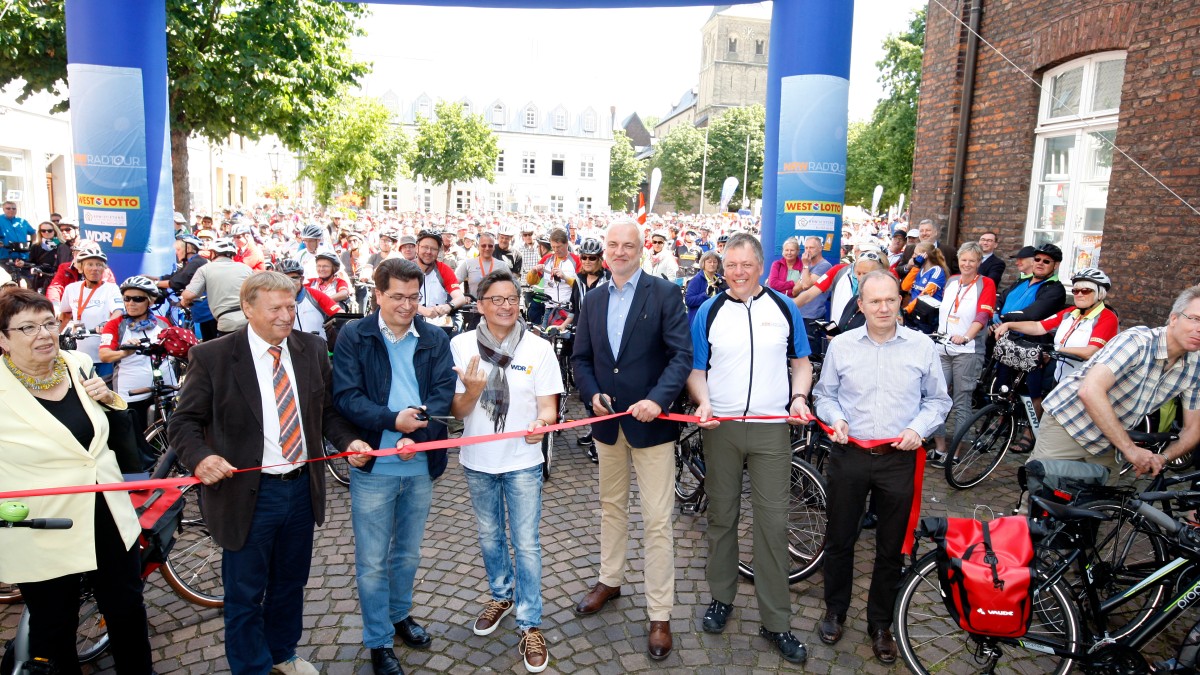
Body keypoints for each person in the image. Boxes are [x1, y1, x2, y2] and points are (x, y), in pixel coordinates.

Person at [170, 272, 368, 675]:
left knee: (289, 585)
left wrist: (348, 443)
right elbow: (183, 423)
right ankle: (251, 668)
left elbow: (326, 411)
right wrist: (201, 458)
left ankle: (282, 653)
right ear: (248, 308)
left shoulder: (311, 348)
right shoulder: (213, 356)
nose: (285, 316)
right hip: (246, 494)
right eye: (275, 308)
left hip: (299, 491)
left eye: (291, 306)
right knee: (244, 594)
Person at [0, 289, 155, 675]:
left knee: (126, 610)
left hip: (106, 512)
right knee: (55, 623)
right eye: (28, 327)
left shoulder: (78, 363)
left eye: (50, 323)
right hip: (43, 525)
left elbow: (107, 436)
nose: (44, 334)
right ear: (2, 339)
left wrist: (111, 398)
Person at [812, 271, 951, 664]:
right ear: (861, 305)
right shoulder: (841, 346)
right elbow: (826, 395)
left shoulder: (921, 346)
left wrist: (917, 429)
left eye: (890, 299)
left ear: (898, 300)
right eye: (874, 301)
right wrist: (834, 418)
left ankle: (881, 623)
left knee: (892, 548)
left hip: (898, 459)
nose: (884, 308)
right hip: (851, 456)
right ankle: (835, 610)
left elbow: (938, 401)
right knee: (839, 539)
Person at [686, 232, 812, 664]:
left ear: (761, 266)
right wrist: (702, 401)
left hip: (771, 430)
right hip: (720, 427)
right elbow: (696, 368)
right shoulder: (709, 309)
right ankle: (721, 598)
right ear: (722, 267)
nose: (738, 273)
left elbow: (801, 362)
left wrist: (799, 397)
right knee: (721, 516)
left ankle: (776, 620)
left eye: (746, 265)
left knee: (773, 525)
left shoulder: (784, 307)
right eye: (731, 265)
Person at [571, 219, 692, 661]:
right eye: (613, 245)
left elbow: (681, 355)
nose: (620, 252)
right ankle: (610, 579)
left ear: (642, 249)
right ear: (604, 250)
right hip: (608, 424)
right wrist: (590, 394)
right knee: (610, 507)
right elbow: (581, 358)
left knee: (658, 520)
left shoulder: (663, 293)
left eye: (628, 245)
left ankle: (660, 614)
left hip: (651, 425)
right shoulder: (595, 298)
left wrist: (658, 400)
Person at [332, 258, 456, 675]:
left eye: (414, 297)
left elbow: (442, 394)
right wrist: (392, 422)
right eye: (398, 297)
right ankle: (378, 640)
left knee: (407, 553)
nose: (407, 305)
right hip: (374, 467)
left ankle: (400, 615)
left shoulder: (435, 337)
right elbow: (346, 396)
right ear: (378, 294)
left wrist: (414, 434)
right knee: (371, 560)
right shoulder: (355, 335)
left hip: (419, 463)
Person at [450, 271, 560, 673]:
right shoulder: (461, 346)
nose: (505, 305)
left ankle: (530, 622)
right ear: (480, 305)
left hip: (523, 463)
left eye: (512, 298)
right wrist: (473, 392)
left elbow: (549, 407)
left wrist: (543, 424)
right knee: (489, 534)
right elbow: (457, 413)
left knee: (527, 543)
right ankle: (501, 594)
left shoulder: (539, 348)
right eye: (495, 299)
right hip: (477, 460)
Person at [1027, 284, 1200, 482]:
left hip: (1110, 440)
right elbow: (1090, 390)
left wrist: (1163, 457)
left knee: (1099, 505)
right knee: (1042, 493)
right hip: (1069, 424)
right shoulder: (1137, 342)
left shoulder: (1196, 366)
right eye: (1195, 319)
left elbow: (1193, 429)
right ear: (1174, 318)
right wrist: (1131, 450)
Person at [929, 243, 997, 466]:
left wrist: (967, 336)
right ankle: (939, 447)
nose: (967, 264)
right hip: (943, 347)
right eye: (964, 260)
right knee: (936, 397)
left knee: (961, 402)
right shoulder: (951, 282)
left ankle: (955, 453)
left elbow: (983, 314)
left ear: (979, 263)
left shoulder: (985, 283)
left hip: (967, 351)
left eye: (972, 260)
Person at [98, 276, 178, 464]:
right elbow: (105, 355)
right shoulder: (116, 324)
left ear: (149, 301)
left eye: (138, 299)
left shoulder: (162, 322)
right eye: (127, 298)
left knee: (168, 429)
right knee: (136, 434)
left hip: (165, 382)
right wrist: (124, 352)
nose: (131, 303)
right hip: (131, 388)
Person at [57, 248, 123, 372]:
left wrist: (107, 324)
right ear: (81, 267)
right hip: (78, 354)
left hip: (102, 352)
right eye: (90, 264)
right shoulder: (71, 289)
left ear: (104, 268)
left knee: (104, 388)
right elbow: (65, 315)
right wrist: (55, 336)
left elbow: (118, 311)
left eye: (99, 265)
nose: (95, 268)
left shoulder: (111, 288)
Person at [182, 238, 254, 337]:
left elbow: (190, 294)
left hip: (227, 321)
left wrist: (184, 301)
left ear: (213, 253)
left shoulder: (205, 269)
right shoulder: (246, 268)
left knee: (224, 350)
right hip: (249, 318)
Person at [414, 230, 469, 333]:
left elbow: (460, 298)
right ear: (417, 247)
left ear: (439, 251)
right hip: (411, 321)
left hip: (437, 324)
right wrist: (422, 310)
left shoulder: (444, 269)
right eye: (425, 247)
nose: (429, 252)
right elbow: (399, 299)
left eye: (434, 249)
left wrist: (448, 306)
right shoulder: (405, 269)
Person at [276, 259, 341, 341]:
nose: (289, 283)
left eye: (294, 278)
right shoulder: (272, 300)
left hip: (319, 349)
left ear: (302, 279)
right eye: (284, 280)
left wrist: (333, 324)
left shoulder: (314, 295)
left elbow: (342, 316)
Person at [525, 228, 578, 327]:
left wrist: (565, 278)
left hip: (569, 310)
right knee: (546, 339)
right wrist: (533, 272)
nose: (556, 250)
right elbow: (531, 281)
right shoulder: (546, 259)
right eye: (553, 247)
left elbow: (582, 286)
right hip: (550, 309)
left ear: (566, 244)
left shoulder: (576, 260)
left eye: (559, 247)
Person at [900, 241, 948, 334]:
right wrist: (916, 267)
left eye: (916, 254)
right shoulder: (919, 269)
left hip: (927, 317)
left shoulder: (937, 271)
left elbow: (925, 294)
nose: (913, 256)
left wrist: (907, 310)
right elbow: (905, 287)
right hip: (913, 313)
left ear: (925, 255)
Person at [457, 232, 511, 298]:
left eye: (490, 246)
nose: (487, 248)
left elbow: (511, 287)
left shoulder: (502, 266)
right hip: (475, 305)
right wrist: (461, 296)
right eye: (483, 245)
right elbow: (454, 283)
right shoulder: (468, 263)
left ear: (494, 247)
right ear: (478, 247)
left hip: (496, 305)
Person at [685, 250, 726, 324]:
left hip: (717, 319)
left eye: (715, 262)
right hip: (700, 320)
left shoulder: (719, 279)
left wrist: (726, 287)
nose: (712, 264)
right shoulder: (696, 280)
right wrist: (706, 294)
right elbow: (689, 301)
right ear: (703, 263)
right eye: (709, 262)